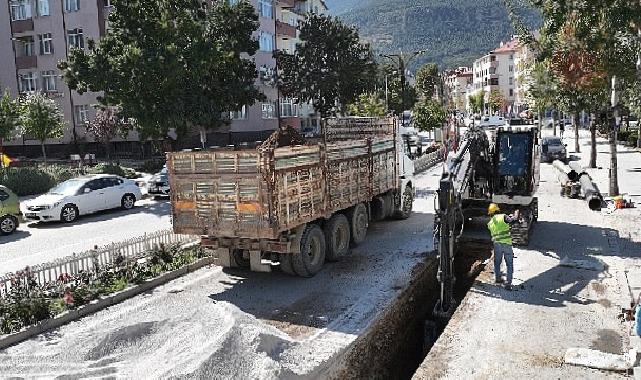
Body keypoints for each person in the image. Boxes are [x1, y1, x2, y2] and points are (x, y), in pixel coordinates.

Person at [487, 203, 520, 290]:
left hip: (497, 245)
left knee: (497, 263)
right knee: (509, 264)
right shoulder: (503, 217)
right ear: (498, 210)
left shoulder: (490, 223)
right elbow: (513, 219)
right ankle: (508, 284)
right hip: (506, 244)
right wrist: (516, 211)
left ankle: (498, 279)